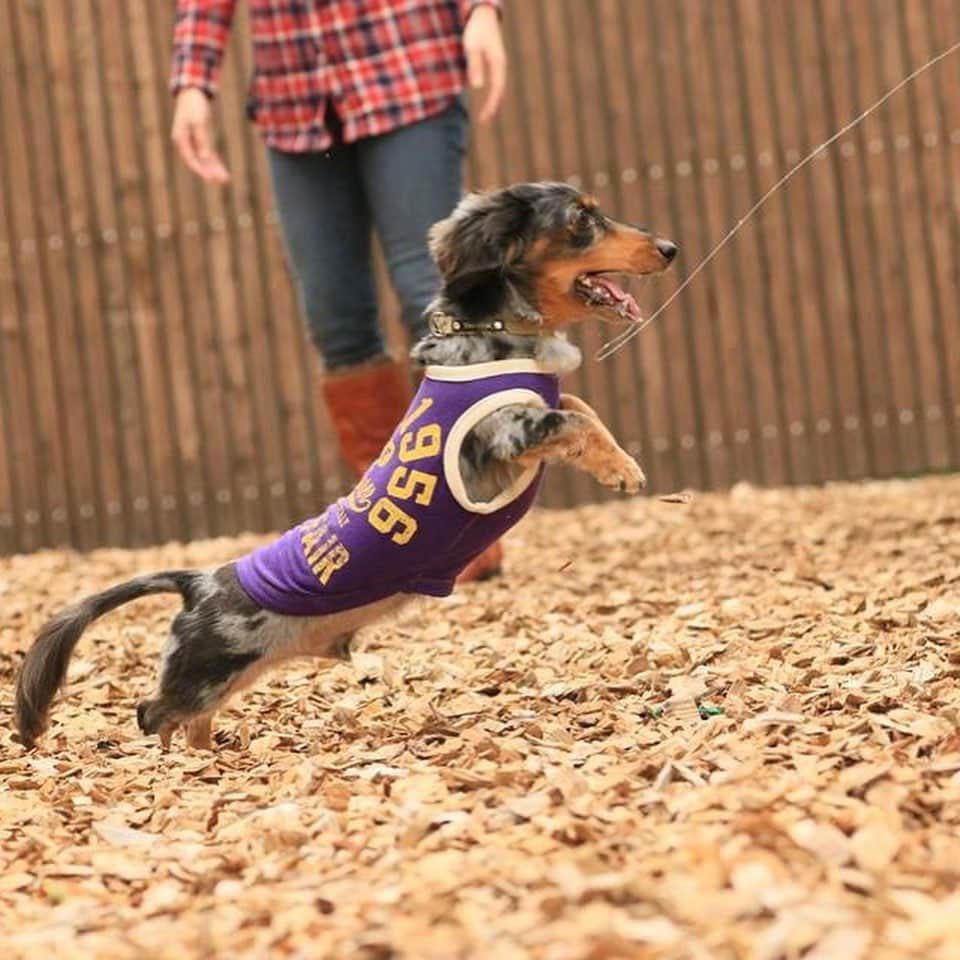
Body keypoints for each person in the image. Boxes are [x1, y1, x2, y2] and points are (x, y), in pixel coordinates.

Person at [169, 0, 507, 579]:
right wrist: (192, 83)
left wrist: (481, 9)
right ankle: (400, 527)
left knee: (430, 295)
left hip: (406, 65)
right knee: (335, 318)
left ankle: (462, 519)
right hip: (295, 98)